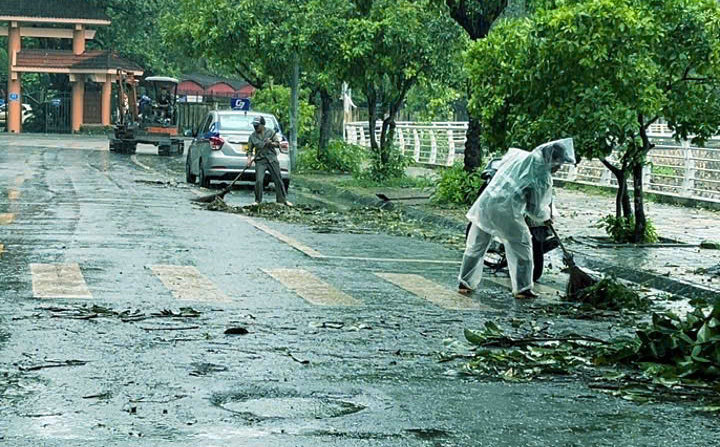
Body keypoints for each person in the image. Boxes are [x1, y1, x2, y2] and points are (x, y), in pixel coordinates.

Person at [458, 138, 576, 299]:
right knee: (522, 245)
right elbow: (535, 209)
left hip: (486, 202)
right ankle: (523, 288)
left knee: (476, 245)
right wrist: (546, 217)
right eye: (559, 164)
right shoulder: (542, 175)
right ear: (552, 160)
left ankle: (464, 283)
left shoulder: (520, 155)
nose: (559, 167)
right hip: (506, 210)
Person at [247, 115, 292, 206]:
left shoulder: (271, 132)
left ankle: (282, 200)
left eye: (257, 125)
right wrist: (249, 160)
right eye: (254, 125)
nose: (255, 127)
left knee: (278, 179)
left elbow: (277, 144)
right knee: (259, 180)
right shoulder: (252, 136)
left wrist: (270, 143)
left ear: (263, 125)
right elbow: (250, 150)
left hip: (271, 159)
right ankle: (257, 201)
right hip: (260, 161)